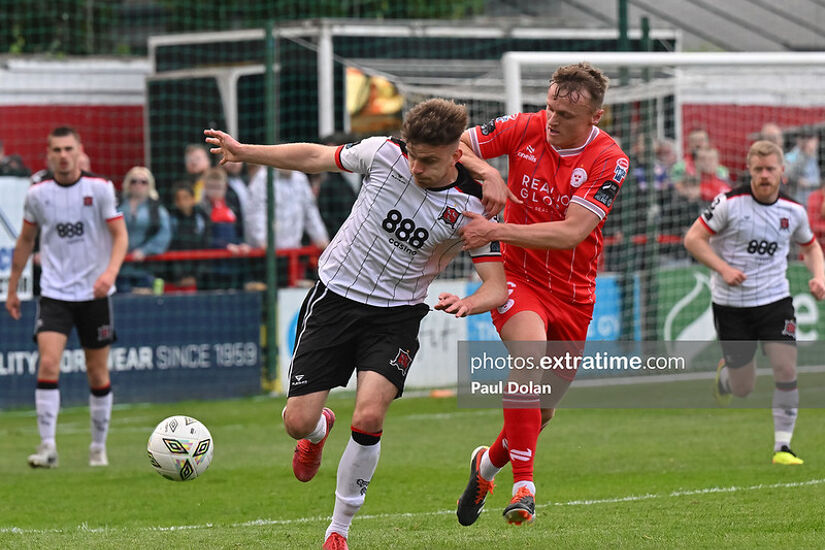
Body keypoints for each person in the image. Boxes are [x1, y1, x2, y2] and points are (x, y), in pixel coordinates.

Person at [205, 98, 509, 550]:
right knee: (296, 421)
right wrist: (246, 151)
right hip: (334, 299)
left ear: (456, 154)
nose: (416, 167)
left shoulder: (471, 206)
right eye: (412, 155)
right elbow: (314, 156)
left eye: (428, 160)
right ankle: (317, 431)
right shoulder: (384, 154)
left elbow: (497, 287)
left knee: (369, 415)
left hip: (397, 316)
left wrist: (470, 303)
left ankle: (338, 530)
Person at [451, 62, 630, 526]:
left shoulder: (611, 160)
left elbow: (573, 232)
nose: (552, 119)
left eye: (565, 115)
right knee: (526, 358)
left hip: (574, 291)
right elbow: (460, 142)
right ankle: (524, 488)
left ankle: (486, 465)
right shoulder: (526, 126)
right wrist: (487, 174)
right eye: (550, 107)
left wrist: (498, 226)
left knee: (542, 410)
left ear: (596, 117)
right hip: (517, 276)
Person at [684, 140, 825, 465]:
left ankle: (783, 447)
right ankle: (726, 377)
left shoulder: (794, 210)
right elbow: (693, 239)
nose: (764, 175)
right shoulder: (729, 204)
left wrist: (818, 276)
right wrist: (723, 269)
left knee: (785, 367)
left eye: (770, 169)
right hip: (731, 304)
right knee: (743, 387)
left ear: (781, 171)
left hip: (775, 300)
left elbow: (812, 246)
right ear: (749, 170)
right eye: (758, 169)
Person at [4, 126, 128, 468]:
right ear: (48, 154)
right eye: (56, 149)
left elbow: (120, 236)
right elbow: (26, 242)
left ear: (79, 151)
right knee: (47, 363)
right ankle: (47, 447)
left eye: (68, 149)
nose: (62, 155)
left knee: (97, 372)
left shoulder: (100, 189)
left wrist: (109, 274)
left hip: (94, 293)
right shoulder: (38, 195)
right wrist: (13, 287)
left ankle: (97, 449)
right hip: (55, 292)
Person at [116, 166, 172, 292]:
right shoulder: (117, 204)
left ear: (150, 185)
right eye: (134, 181)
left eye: (143, 181)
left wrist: (145, 250)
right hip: (118, 268)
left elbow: (164, 234)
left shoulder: (157, 209)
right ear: (127, 184)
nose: (138, 184)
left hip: (145, 268)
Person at [785, 128, 820, 206]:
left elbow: (817, 181)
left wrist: (810, 184)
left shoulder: (815, 157)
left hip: (813, 203)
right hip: (797, 201)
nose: (806, 141)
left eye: (809, 138)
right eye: (803, 138)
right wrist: (805, 155)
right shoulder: (791, 156)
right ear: (798, 140)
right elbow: (786, 175)